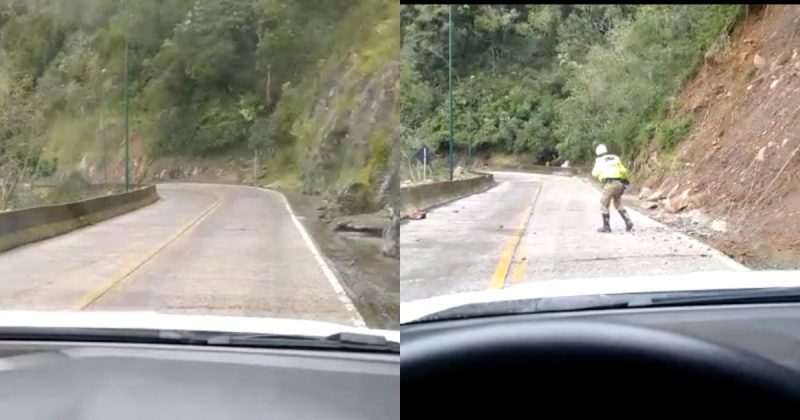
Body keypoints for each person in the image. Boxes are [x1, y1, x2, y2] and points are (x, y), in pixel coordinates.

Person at [591, 144, 633, 233]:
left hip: (609, 184)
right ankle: (628, 221)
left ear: (598, 153)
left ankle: (606, 226)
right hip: (619, 184)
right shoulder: (615, 158)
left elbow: (595, 173)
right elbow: (624, 171)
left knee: (604, 204)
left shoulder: (600, 160)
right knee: (618, 203)